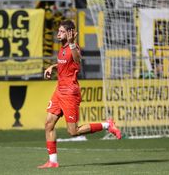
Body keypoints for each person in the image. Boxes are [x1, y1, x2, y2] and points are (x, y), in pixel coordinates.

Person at [38, 20, 122, 169]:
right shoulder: (62, 48)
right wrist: (52, 66)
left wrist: (71, 43)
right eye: (59, 31)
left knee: (73, 131)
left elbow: (77, 61)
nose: (58, 33)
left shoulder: (73, 47)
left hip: (70, 93)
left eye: (62, 31)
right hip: (59, 91)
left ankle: (107, 124)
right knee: (48, 124)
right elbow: (65, 64)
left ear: (70, 33)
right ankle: (53, 161)